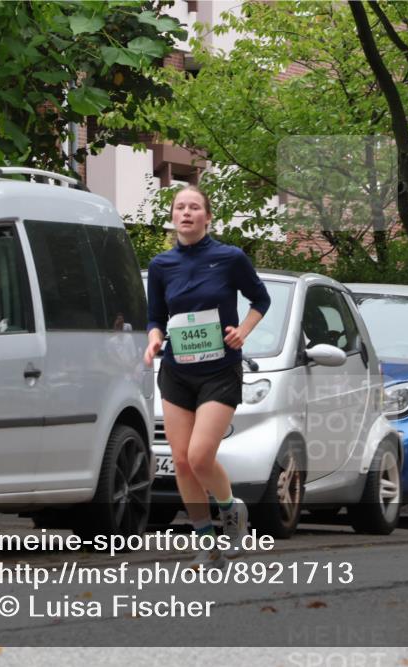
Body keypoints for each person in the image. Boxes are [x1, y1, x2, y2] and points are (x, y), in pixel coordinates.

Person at [143, 185, 271, 569]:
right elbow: (155, 318)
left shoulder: (229, 258)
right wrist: (153, 341)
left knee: (200, 457)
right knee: (181, 462)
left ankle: (232, 511)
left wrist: (242, 331)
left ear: (207, 216)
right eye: (180, 207)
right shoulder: (161, 265)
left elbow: (260, 300)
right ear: (172, 216)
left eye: (194, 207)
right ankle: (205, 540)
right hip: (177, 371)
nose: (186, 213)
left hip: (219, 369)